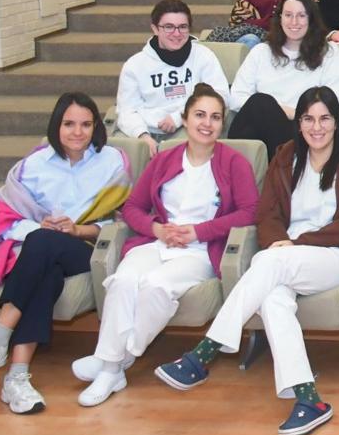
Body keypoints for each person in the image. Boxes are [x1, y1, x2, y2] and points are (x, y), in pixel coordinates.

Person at [155, 86, 339, 435]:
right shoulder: (286, 155)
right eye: (308, 119)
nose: (316, 127)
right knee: (273, 298)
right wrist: (281, 241)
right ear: (299, 123)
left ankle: (205, 352)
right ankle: (308, 399)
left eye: (324, 118)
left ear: (337, 122)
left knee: (270, 263)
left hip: (335, 256)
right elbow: (267, 213)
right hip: (285, 255)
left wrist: (294, 243)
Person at [77, 84, 258, 407]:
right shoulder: (165, 159)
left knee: (157, 287)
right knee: (123, 281)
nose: (207, 123)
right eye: (200, 115)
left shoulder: (234, 163)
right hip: (157, 242)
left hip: (199, 251)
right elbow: (132, 207)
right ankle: (111, 364)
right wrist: (157, 229)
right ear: (185, 119)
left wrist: (198, 231)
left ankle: (114, 362)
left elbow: (249, 213)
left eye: (215, 117)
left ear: (222, 124)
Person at [0, 94, 131, 413]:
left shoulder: (113, 162)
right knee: (44, 264)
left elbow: (121, 220)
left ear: (96, 127)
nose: (77, 132)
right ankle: (17, 378)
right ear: (56, 125)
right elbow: (5, 214)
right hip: (40, 251)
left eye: (85, 124)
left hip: (86, 250)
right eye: (69, 124)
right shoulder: (33, 165)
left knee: (43, 242)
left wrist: (78, 230)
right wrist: (41, 227)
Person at [228, 0, 339, 159]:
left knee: (261, 102)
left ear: (311, 19)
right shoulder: (261, 52)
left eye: (301, 16)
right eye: (288, 15)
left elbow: (334, 102)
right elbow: (236, 98)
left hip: (304, 130)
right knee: (259, 104)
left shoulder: (329, 53)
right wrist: (273, 111)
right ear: (279, 18)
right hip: (260, 127)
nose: (294, 22)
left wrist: (286, 112)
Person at [114, 0, 230, 156]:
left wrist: (179, 117)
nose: (177, 34)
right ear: (155, 29)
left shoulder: (203, 56)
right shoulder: (135, 64)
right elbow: (126, 110)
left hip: (187, 127)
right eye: (169, 27)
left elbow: (220, 97)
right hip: (145, 129)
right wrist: (142, 135)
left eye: (183, 27)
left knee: (185, 149)